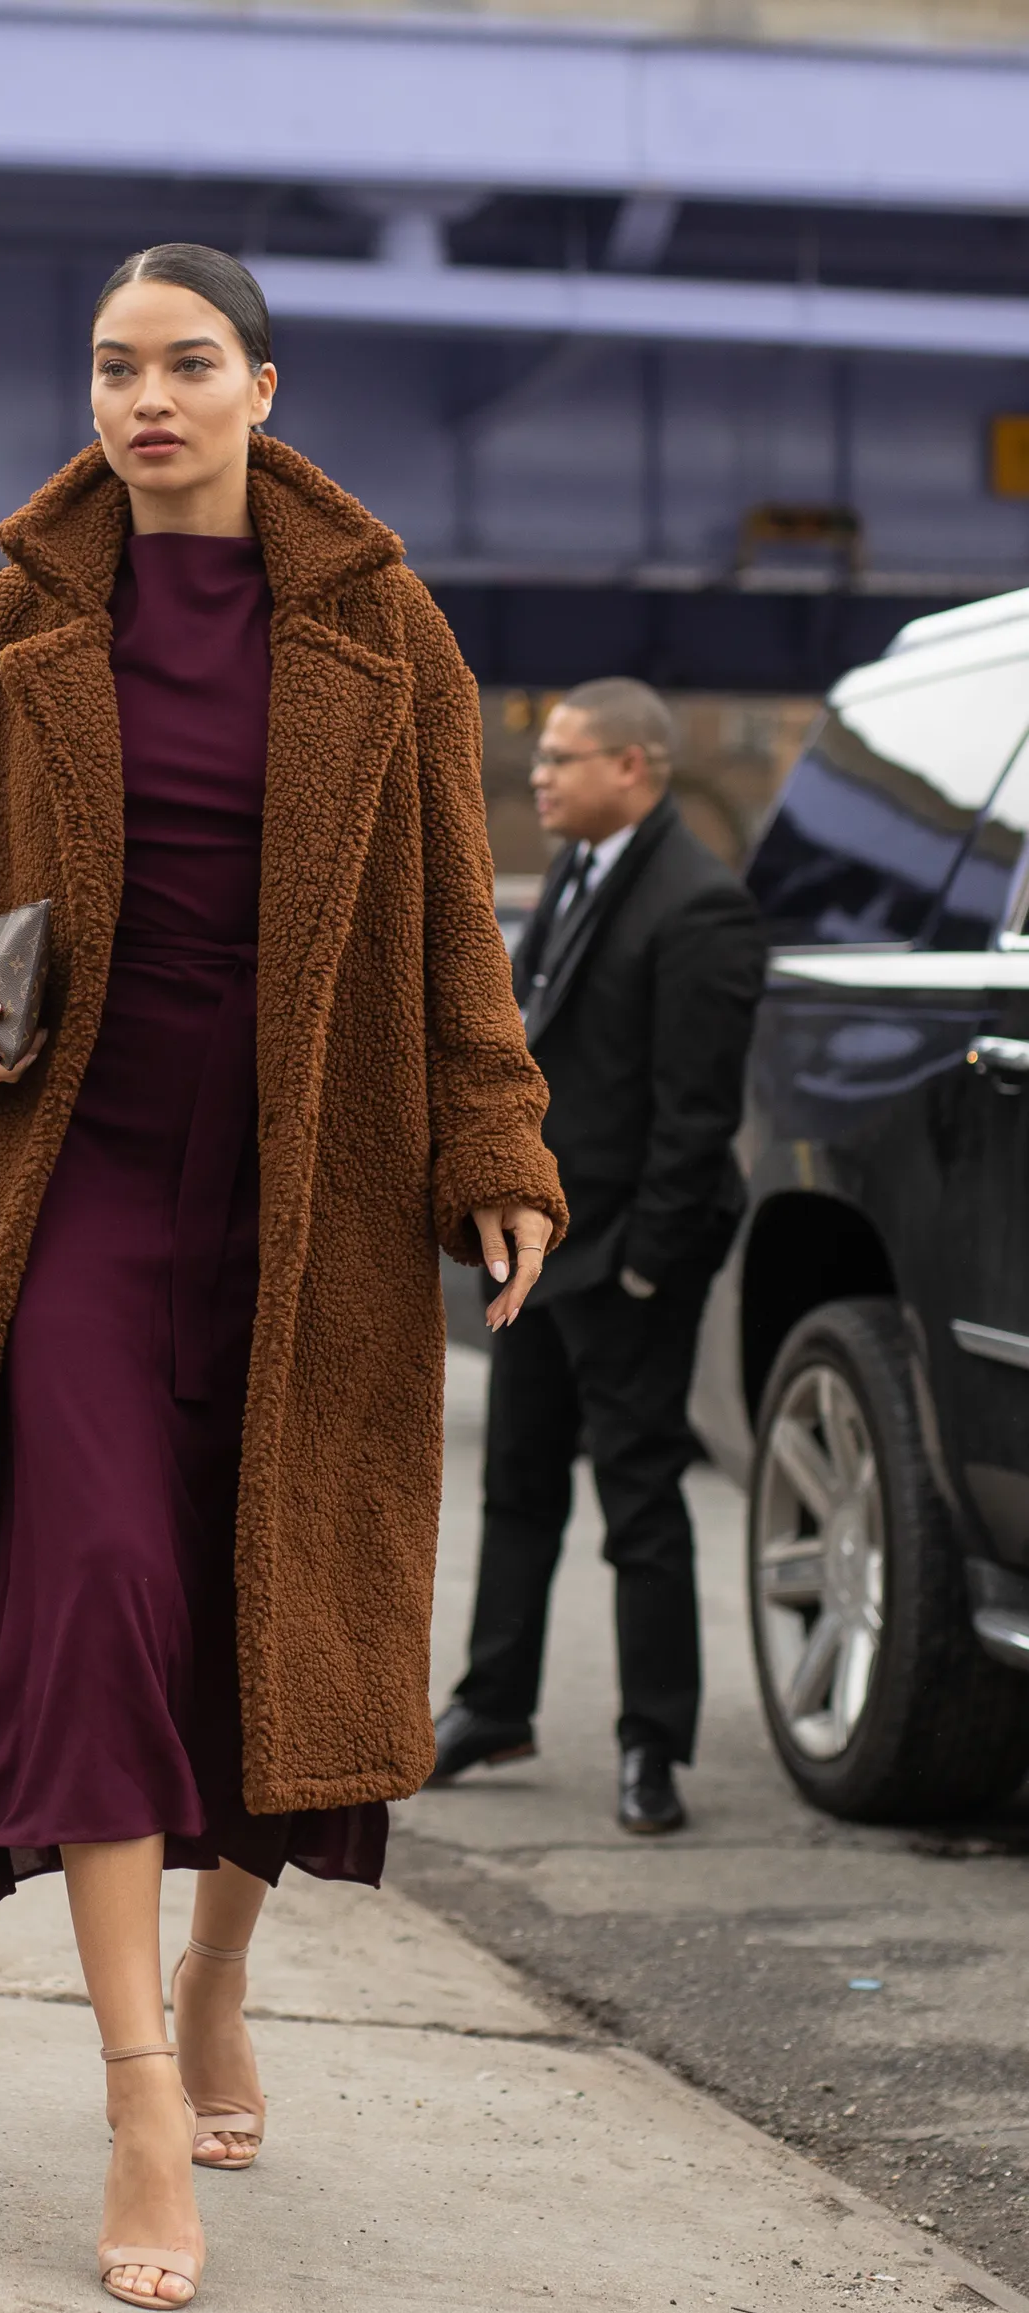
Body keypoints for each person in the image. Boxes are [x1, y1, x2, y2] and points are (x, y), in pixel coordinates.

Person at [0, 243, 565, 2312]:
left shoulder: (384, 634)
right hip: (65, 1186)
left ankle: (224, 1971)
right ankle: (141, 2088)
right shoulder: (17, 626)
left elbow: (450, 931)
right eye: (109, 368)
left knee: (269, 1621)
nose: (141, 400)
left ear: (260, 385)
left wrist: (493, 1146)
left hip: (308, 1200)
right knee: (93, 1597)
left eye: (182, 366)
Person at [431, 679, 766, 1835]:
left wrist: (638, 1267)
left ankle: (650, 1746)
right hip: (536, 1248)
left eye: (565, 757)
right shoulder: (571, 874)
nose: (540, 773)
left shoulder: (701, 906)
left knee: (639, 1503)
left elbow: (695, 1121)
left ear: (633, 766)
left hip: (623, 1260)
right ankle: (494, 1705)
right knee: (516, 1484)